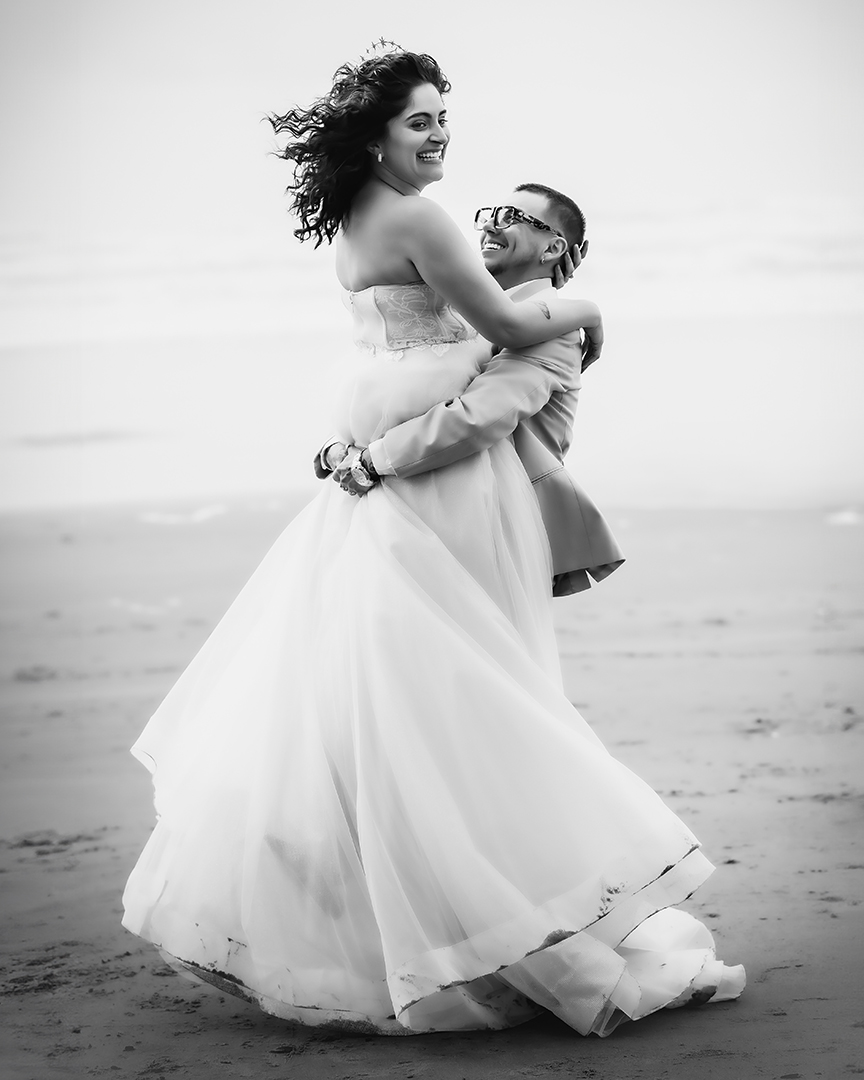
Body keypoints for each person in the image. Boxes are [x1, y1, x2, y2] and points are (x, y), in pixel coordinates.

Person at [122, 47, 744, 1038]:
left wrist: (368, 448)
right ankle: (450, 926)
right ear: (376, 135)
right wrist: (593, 303)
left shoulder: (369, 224)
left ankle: (426, 926)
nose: (440, 136)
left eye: (444, 119)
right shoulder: (425, 226)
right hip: (422, 495)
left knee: (411, 694)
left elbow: (478, 368)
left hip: (418, 491)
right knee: (437, 701)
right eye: (420, 121)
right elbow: (488, 327)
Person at [321, 181, 625, 598]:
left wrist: (370, 459)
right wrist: (347, 443)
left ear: (553, 249)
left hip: (492, 522)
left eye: (514, 218)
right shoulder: (473, 315)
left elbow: (478, 416)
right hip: (437, 498)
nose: (491, 227)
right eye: (490, 214)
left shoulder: (554, 333)